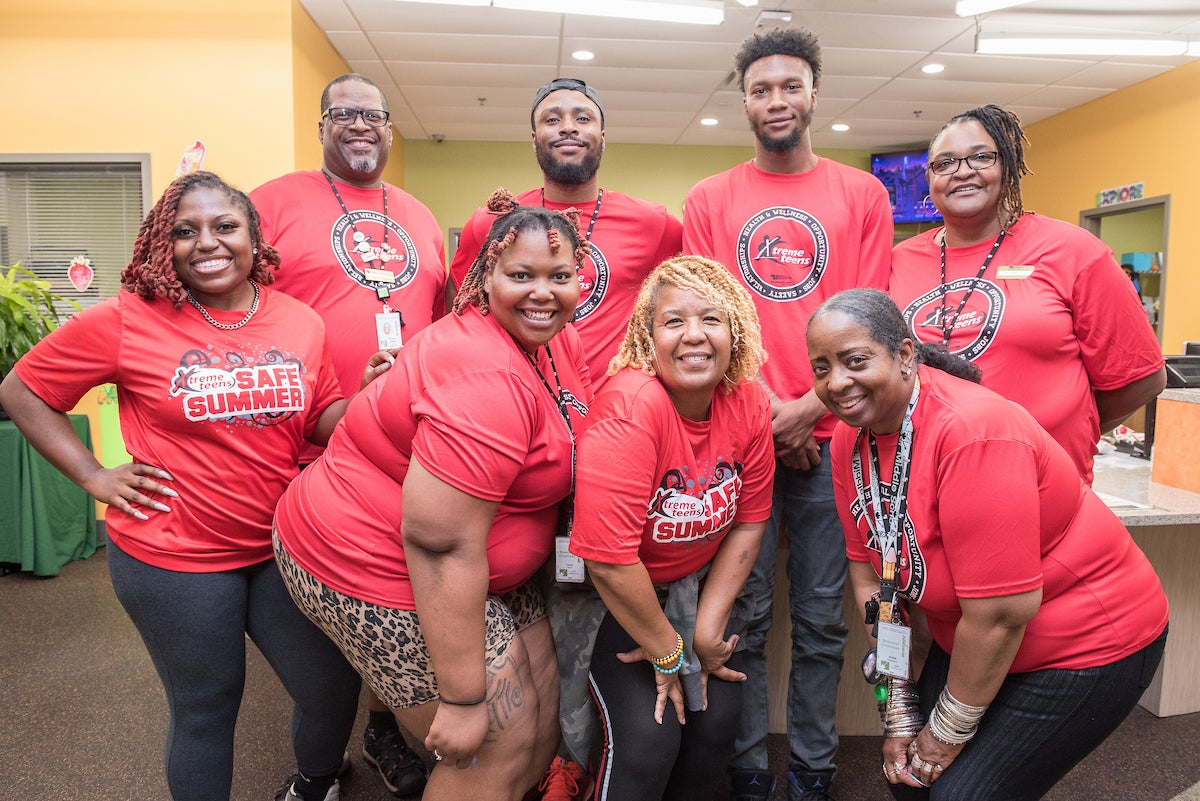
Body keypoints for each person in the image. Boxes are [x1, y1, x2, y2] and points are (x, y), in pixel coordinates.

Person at [0, 171, 390, 801]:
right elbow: (22, 390)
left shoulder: (299, 320)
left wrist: (370, 397)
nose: (206, 242)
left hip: (281, 546)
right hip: (173, 555)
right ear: (164, 245)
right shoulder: (129, 319)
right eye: (186, 231)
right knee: (208, 708)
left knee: (329, 686)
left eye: (224, 226)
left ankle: (318, 782)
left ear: (254, 238)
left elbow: (320, 421)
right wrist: (94, 475)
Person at [272, 191, 591, 801]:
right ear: (484, 277)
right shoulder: (484, 374)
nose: (542, 292)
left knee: (543, 712)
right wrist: (464, 697)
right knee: (496, 744)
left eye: (560, 276)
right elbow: (439, 544)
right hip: (375, 553)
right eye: (520, 275)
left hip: (477, 555)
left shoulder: (552, 340)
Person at [806, 288, 1169, 801]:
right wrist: (899, 711)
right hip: (976, 642)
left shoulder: (974, 431)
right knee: (906, 781)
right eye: (821, 368)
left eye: (854, 361)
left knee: (959, 794)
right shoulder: (851, 439)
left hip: (1083, 642)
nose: (836, 382)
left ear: (905, 355)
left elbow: (1001, 615)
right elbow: (871, 575)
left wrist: (941, 739)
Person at [683, 26, 894, 801]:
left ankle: (810, 770)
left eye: (790, 86)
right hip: (742, 447)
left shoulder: (862, 195)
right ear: (743, 101)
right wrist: (774, 420)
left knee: (821, 624)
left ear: (813, 94)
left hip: (835, 445)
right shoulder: (709, 199)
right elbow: (708, 321)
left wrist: (810, 411)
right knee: (744, 619)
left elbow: (873, 319)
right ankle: (743, 769)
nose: (777, 99)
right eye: (762, 88)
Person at [250, 72, 448, 797]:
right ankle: (325, 747)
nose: (360, 124)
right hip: (308, 442)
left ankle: (384, 723)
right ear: (323, 125)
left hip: (408, 443)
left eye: (374, 114)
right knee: (328, 610)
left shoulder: (421, 214)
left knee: (399, 589)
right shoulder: (272, 202)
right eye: (345, 113)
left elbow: (445, 314)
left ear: (391, 128)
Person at [561, 255, 774, 800]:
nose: (694, 336)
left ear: (736, 331)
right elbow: (608, 560)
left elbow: (749, 523)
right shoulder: (632, 408)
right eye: (673, 321)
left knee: (715, 717)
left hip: (689, 592)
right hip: (610, 597)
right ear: (647, 336)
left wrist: (703, 634)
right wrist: (666, 653)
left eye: (712, 319)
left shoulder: (747, 399)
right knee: (650, 736)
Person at [888, 104, 1166, 484]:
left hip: (1042, 482)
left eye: (982, 157)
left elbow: (1143, 378)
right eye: (945, 163)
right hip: (929, 478)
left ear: (1010, 165)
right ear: (930, 179)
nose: (963, 171)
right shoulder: (900, 259)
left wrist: (1067, 428)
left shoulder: (1074, 251)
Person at [449, 76, 683, 393]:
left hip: (617, 412)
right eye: (552, 119)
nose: (568, 127)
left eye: (583, 118)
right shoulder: (493, 221)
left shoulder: (655, 224)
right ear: (534, 138)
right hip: (517, 402)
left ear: (602, 136)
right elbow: (459, 312)